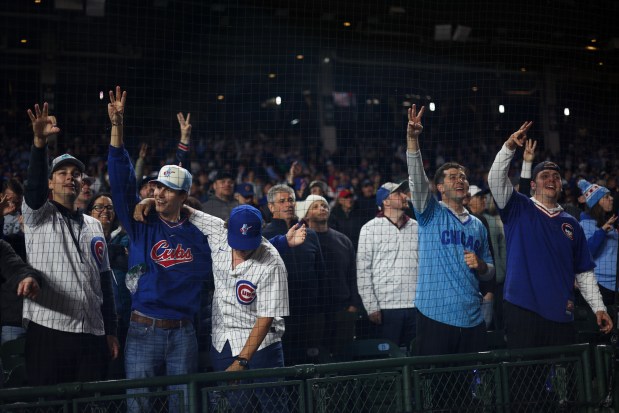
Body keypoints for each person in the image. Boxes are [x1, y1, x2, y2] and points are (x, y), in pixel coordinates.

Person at [106, 87, 211, 413]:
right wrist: (117, 129)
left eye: (169, 190)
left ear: (183, 197)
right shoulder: (141, 224)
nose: (160, 193)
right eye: (158, 188)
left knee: (185, 408)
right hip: (142, 329)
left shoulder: (199, 234)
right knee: (138, 408)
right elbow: (121, 180)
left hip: (184, 333)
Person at [487, 121, 613, 349]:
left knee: (562, 381)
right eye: (545, 176)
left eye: (556, 177)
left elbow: (583, 272)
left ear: (561, 186)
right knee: (525, 378)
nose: (551, 179)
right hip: (522, 309)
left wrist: (599, 307)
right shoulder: (518, 207)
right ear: (533, 185)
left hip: (562, 313)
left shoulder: (571, 223)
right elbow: (495, 180)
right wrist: (508, 148)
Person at [22, 102, 119, 386]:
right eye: (62, 173)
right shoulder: (38, 215)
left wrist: (110, 330)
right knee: (50, 404)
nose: (70, 177)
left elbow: (105, 283)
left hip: (91, 331)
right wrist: (40, 144)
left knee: (88, 403)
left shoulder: (94, 225)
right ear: (50, 183)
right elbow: (33, 187)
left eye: (75, 174)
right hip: (49, 329)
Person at [406, 105, 494, 356]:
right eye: (453, 177)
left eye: (463, 177)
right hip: (435, 314)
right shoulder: (430, 213)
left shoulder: (477, 224)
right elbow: (416, 180)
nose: (460, 180)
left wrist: (482, 266)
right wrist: (413, 140)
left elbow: (491, 272)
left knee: (468, 389)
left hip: (472, 316)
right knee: (437, 385)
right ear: (440, 188)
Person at [209, 205, 291, 413]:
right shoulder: (217, 232)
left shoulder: (272, 262)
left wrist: (242, 360)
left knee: (273, 406)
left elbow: (266, 317)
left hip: (263, 346)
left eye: (248, 244)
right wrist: (149, 203)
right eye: (238, 243)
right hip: (224, 340)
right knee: (238, 407)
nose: (243, 249)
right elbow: (191, 214)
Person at [262, 184, 327, 365]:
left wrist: (320, 308)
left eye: (291, 199)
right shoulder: (263, 236)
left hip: (310, 312)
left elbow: (321, 274)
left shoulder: (310, 235)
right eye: (282, 201)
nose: (288, 204)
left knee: (313, 361)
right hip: (279, 314)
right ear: (271, 207)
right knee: (286, 361)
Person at [296, 195, 362, 360]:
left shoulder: (343, 240)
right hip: (313, 312)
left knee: (343, 356)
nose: (322, 208)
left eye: (324, 205)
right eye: (316, 206)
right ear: (306, 214)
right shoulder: (299, 240)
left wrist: (354, 303)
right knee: (316, 357)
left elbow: (353, 274)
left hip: (342, 309)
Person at [356, 182, 419, 351]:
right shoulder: (369, 229)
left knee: (418, 356)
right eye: (398, 194)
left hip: (416, 306)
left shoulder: (416, 226)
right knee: (389, 360)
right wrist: (371, 306)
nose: (405, 196)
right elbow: (363, 271)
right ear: (386, 201)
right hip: (386, 308)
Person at [86, 192, 131, 377]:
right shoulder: (83, 238)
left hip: (124, 319)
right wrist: (117, 252)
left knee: (119, 372)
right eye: (99, 207)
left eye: (109, 207)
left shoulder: (124, 238)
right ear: (89, 212)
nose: (105, 210)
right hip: (95, 321)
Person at [577, 179, 617, 306]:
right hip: (599, 285)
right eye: (606, 197)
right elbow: (586, 252)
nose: (611, 198)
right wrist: (602, 231)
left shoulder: (609, 223)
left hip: (615, 285)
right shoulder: (584, 225)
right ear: (596, 202)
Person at [464, 185, 497, 329]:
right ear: (468, 200)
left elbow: (490, 257)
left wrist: (490, 289)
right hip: (471, 290)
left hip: (484, 286)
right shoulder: (475, 220)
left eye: (483, 197)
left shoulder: (481, 220)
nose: (483, 200)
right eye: (479, 197)